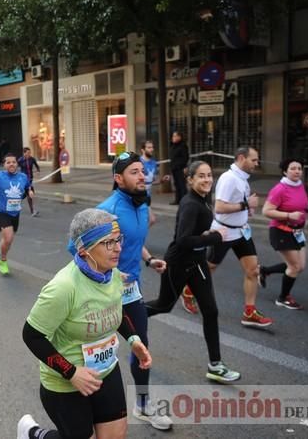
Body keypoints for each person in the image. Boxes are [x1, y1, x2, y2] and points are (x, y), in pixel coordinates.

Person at [17, 208, 152, 439]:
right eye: (108, 243)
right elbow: (32, 336)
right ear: (84, 249)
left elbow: (114, 309)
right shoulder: (63, 288)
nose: (118, 248)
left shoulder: (113, 274)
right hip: (66, 382)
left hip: (107, 370)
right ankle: (33, 434)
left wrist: (133, 339)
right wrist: (71, 372)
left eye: (118, 240)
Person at [96, 151, 172, 430]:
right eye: (134, 172)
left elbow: (129, 243)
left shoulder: (141, 205)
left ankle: (142, 404)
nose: (143, 176)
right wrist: (111, 272)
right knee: (96, 352)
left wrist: (149, 259)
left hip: (131, 291)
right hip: (101, 291)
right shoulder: (107, 210)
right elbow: (77, 249)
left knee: (140, 345)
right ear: (118, 178)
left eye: (143, 171)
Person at [145, 161, 241, 383]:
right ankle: (127, 316)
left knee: (211, 311)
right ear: (190, 180)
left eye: (209, 175)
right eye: (201, 176)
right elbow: (183, 240)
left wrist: (207, 233)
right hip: (178, 263)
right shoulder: (190, 203)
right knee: (163, 305)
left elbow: (195, 233)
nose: (207, 179)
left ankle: (215, 365)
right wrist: (215, 237)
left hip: (197, 263)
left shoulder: (202, 201)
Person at [204, 146, 273, 328]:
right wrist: (244, 205)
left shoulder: (242, 178)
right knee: (208, 268)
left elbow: (237, 204)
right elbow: (219, 207)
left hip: (242, 232)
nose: (257, 164)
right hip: (224, 232)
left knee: (253, 271)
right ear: (242, 158)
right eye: (254, 160)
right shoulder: (229, 179)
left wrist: (247, 210)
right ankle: (188, 289)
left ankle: (249, 312)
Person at [259, 159, 308, 309]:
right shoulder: (279, 189)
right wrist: (288, 216)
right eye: (293, 168)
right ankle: (283, 298)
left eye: (299, 168)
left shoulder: (299, 186)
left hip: (297, 232)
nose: (297, 171)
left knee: (300, 266)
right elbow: (266, 211)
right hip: (281, 232)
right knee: (294, 266)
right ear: (285, 171)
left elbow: (298, 205)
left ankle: (264, 270)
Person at [18, 147, 40, 217]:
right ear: (24, 153)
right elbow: (15, 167)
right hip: (24, 179)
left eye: (30, 153)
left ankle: (16, 202)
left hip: (30, 179)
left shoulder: (32, 159)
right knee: (29, 194)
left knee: (27, 194)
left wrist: (38, 171)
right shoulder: (20, 160)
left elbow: (36, 165)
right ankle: (32, 211)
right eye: (27, 153)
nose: (29, 154)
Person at [169, 131, 189, 205]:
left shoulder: (183, 146)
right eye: (173, 136)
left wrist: (183, 166)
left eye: (175, 136)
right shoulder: (173, 145)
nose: (173, 138)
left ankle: (185, 200)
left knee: (182, 185)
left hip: (180, 168)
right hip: (174, 168)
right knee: (176, 184)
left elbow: (185, 157)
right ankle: (178, 200)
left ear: (179, 137)